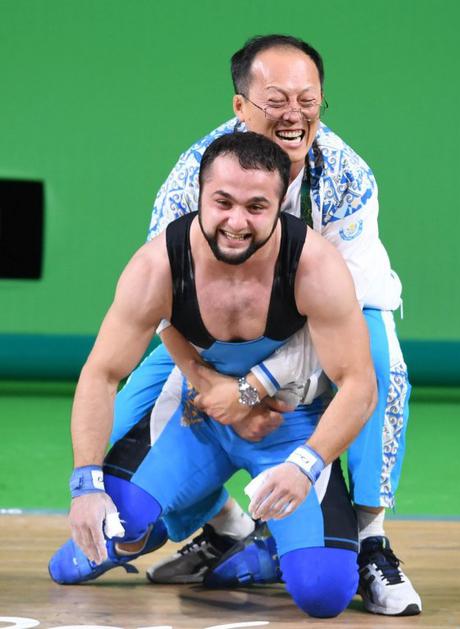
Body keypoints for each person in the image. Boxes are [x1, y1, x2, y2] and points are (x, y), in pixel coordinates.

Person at [113, 35, 421, 616]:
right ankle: (226, 528)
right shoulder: (193, 177)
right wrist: (209, 384)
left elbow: (345, 316)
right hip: (212, 339)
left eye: (308, 100)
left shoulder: (347, 177)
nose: (294, 115)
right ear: (240, 106)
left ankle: (370, 540)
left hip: (317, 329)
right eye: (276, 99)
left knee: (380, 358)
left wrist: (254, 388)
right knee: (119, 432)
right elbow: (161, 301)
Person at [49, 132, 377, 620]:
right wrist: (85, 486)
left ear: (280, 205)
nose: (236, 222)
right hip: (196, 416)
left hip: (288, 428)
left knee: (324, 592)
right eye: (222, 202)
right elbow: (101, 373)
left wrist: (305, 465)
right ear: (200, 195)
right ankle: (178, 525)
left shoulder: (314, 266)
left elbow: (359, 384)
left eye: (256, 207)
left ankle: (272, 549)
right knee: (91, 547)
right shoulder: (158, 265)